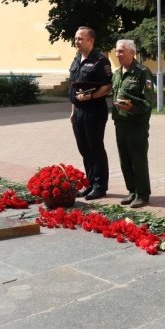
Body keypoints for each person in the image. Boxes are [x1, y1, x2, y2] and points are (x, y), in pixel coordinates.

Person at [68, 26, 112, 200]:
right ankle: (90, 183)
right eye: (76, 38)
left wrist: (92, 95)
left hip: (94, 111)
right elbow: (74, 86)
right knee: (84, 148)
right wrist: (72, 110)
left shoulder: (100, 60)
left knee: (95, 148)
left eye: (80, 39)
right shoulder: (77, 59)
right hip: (78, 111)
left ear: (91, 41)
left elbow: (108, 86)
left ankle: (100, 186)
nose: (77, 42)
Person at [111, 39, 155, 208]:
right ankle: (132, 190)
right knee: (125, 159)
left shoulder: (142, 72)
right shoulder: (117, 73)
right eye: (116, 51)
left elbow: (147, 101)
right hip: (120, 122)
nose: (117, 54)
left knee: (138, 158)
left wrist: (132, 107)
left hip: (136, 123)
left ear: (132, 53)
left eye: (121, 51)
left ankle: (143, 194)